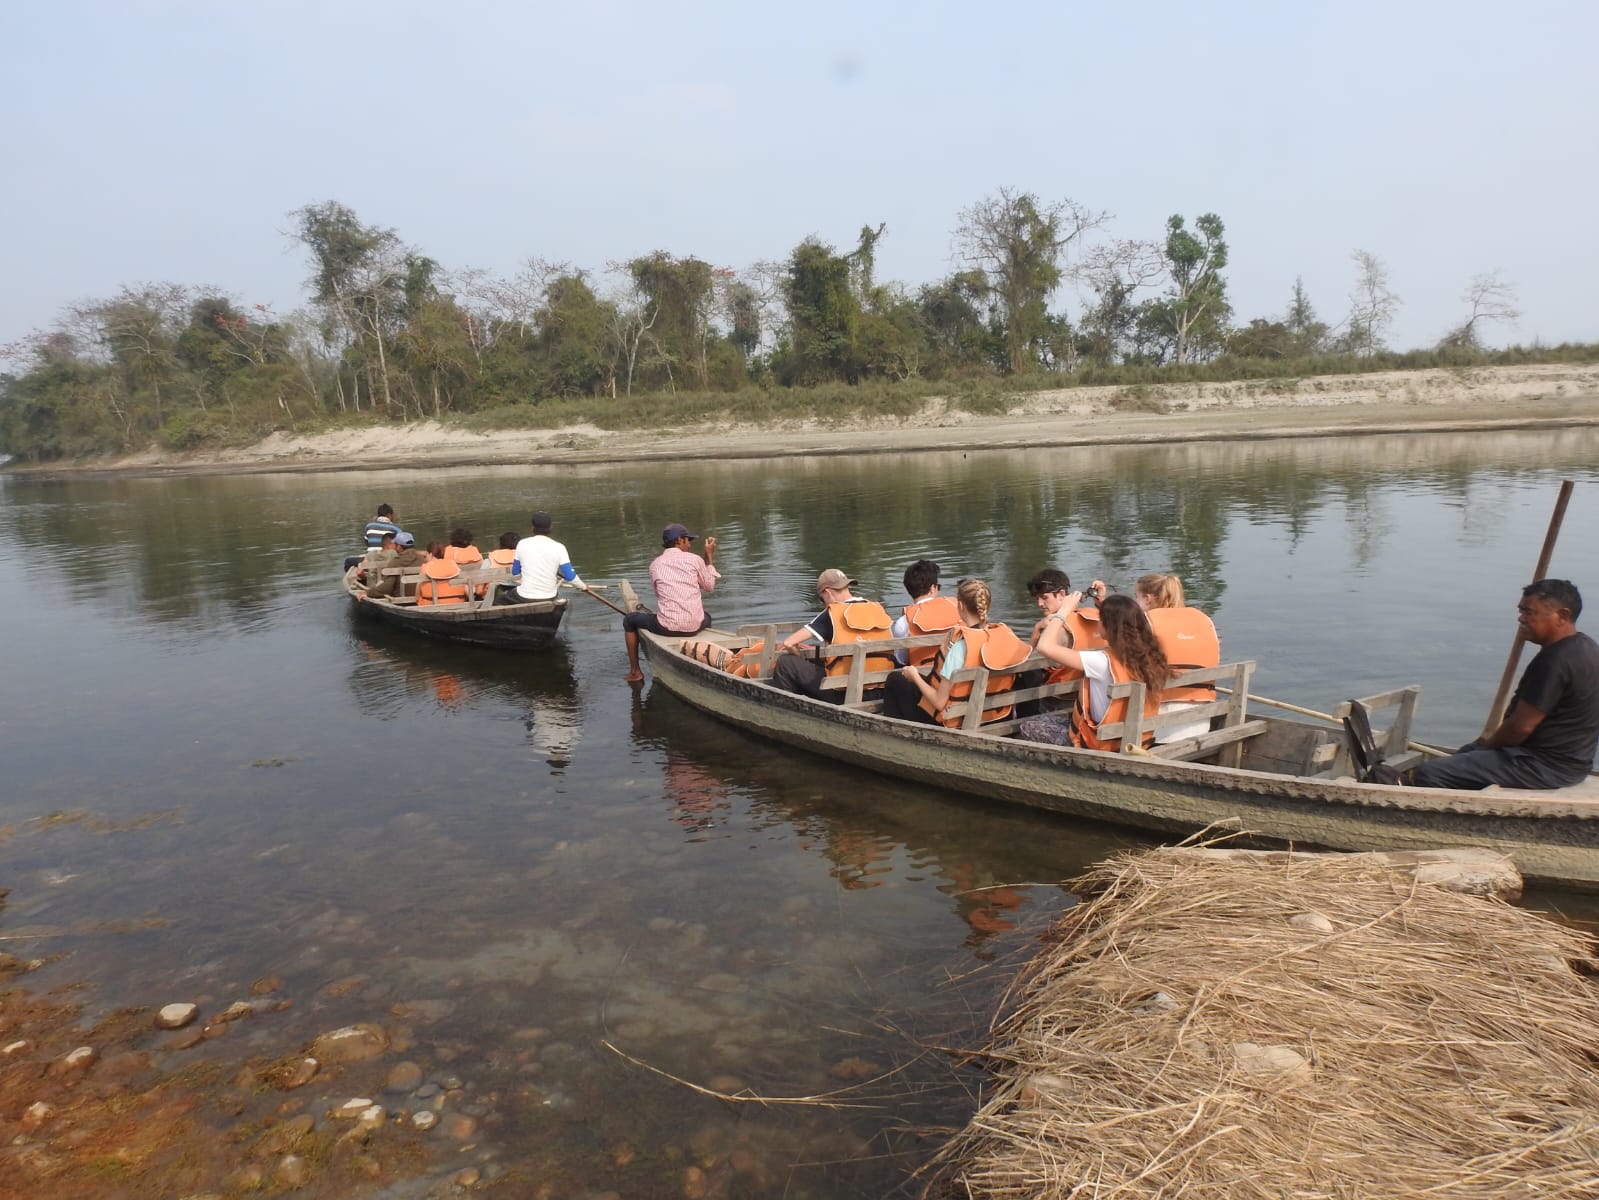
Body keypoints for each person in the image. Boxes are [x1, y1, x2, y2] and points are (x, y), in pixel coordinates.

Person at [1395, 579, 1599, 790]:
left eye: (1530, 613)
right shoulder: (1587, 647)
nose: (1521, 619)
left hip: (1544, 765)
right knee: (1467, 751)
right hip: (1572, 764)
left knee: (1430, 774)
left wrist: (1486, 750)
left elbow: (1520, 727)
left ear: (1562, 616)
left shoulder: (1555, 660)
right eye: (1521, 611)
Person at [1018, 592, 1168, 751]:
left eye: (1101, 620)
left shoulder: (1101, 661)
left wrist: (1063, 611)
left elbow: (1044, 646)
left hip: (1102, 744)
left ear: (1109, 626)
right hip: (1136, 739)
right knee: (1044, 719)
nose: (1098, 624)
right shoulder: (1150, 656)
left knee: (1027, 726)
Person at [882, 578, 1031, 726]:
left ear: (960, 605)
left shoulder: (960, 647)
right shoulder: (1001, 638)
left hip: (957, 721)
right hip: (992, 716)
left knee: (896, 680)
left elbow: (939, 703)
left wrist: (914, 676)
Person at [767, 569, 894, 702]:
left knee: (785, 663)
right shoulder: (877, 608)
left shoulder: (832, 614)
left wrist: (798, 654)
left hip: (844, 693)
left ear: (828, 593)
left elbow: (788, 643)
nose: (824, 604)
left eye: (822, 600)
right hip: (880, 690)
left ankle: (787, 708)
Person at [622, 522, 720, 683]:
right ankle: (700, 652)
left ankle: (635, 672)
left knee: (629, 620)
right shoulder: (695, 560)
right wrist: (709, 556)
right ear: (679, 540)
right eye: (688, 540)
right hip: (695, 626)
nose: (689, 545)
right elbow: (709, 586)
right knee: (706, 616)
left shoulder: (655, 565)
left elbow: (659, 594)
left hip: (667, 627)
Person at [1134, 573, 1221, 743]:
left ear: (1148, 598)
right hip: (1201, 722)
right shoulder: (1203, 619)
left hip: (1159, 728)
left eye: (1136, 597)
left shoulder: (1146, 621)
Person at [497, 511, 589, 604]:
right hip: (550, 596)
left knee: (497, 601)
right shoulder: (559, 547)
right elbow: (570, 577)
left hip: (524, 596)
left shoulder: (522, 544)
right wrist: (583, 587)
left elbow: (515, 572)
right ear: (550, 527)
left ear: (532, 528)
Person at [890, 559, 959, 668]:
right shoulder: (958, 607)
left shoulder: (903, 623)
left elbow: (901, 661)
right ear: (932, 588)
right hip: (958, 676)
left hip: (922, 679)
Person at [363, 532, 427, 600]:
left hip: (401, 599)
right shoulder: (423, 560)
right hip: (422, 597)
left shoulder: (395, 562)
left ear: (399, 547)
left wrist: (368, 593)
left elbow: (387, 588)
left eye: (395, 544)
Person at [417, 541, 469, 606]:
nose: (426, 558)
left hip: (431, 604)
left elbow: (418, 592)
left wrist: (418, 600)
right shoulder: (453, 565)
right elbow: (465, 587)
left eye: (426, 555)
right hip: (458, 602)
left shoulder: (425, 567)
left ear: (430, 554)